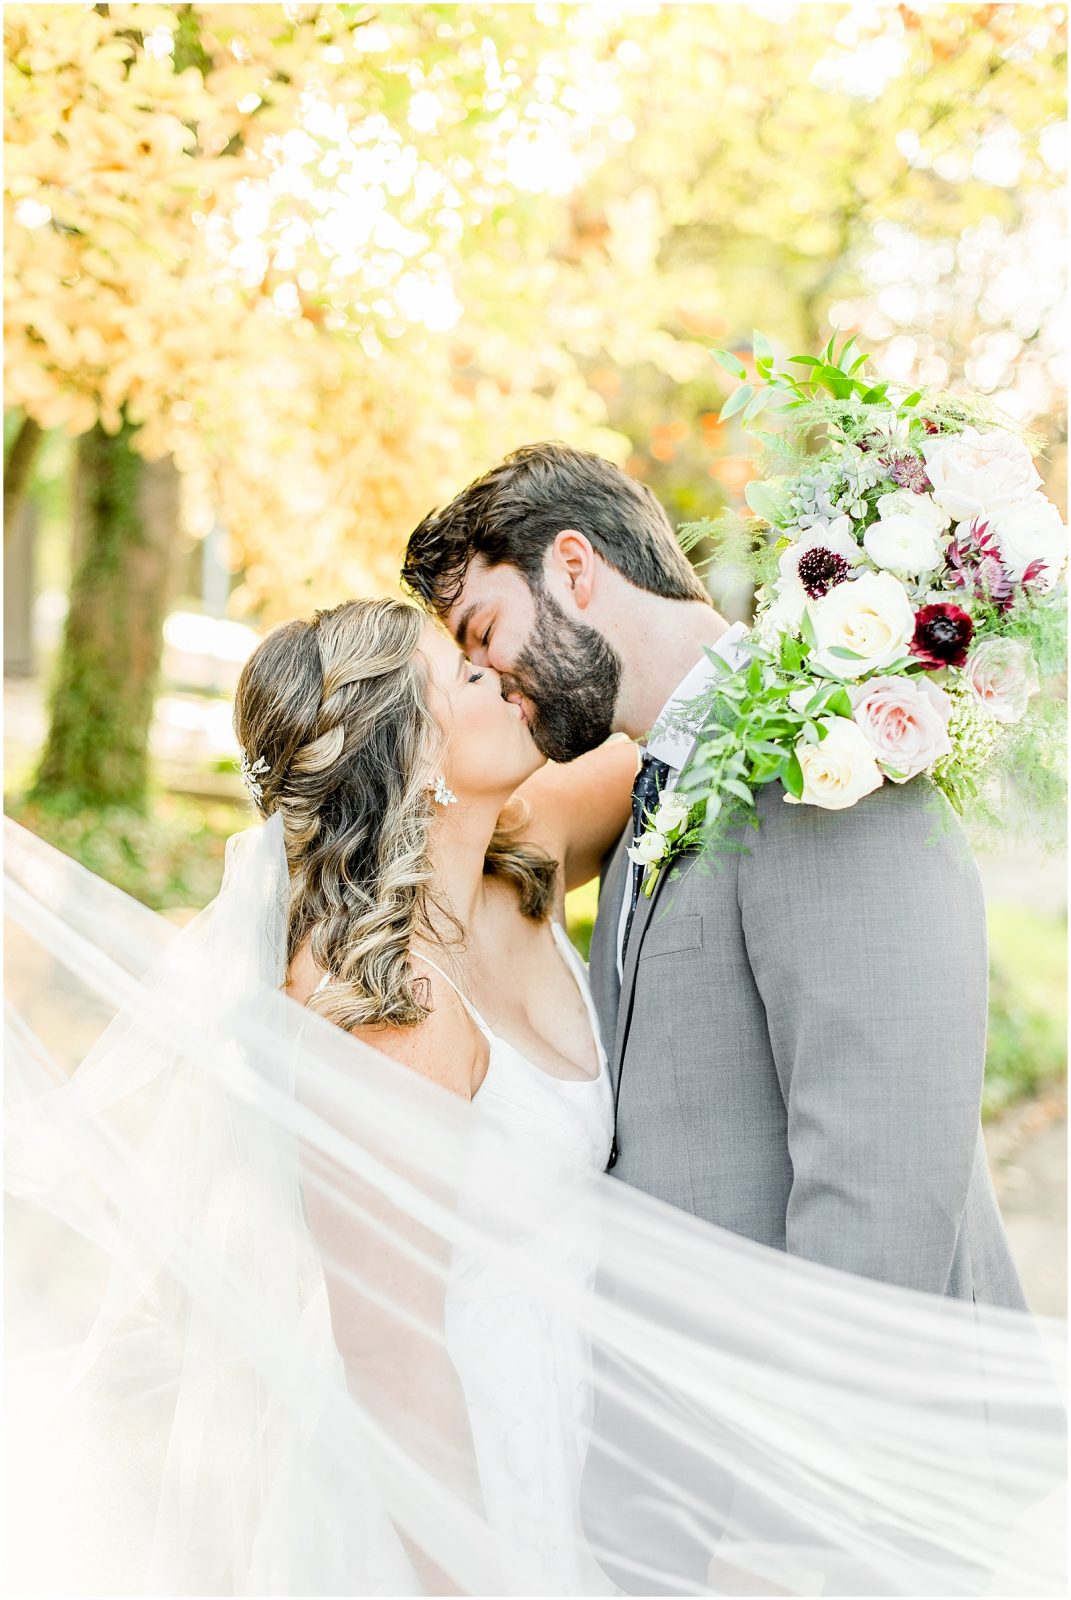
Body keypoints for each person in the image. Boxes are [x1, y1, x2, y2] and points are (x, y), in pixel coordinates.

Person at [401, 440, 1026, 1311]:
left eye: (483, 632)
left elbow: (883, 1195)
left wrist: (805, 1442)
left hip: (809, 1417)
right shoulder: (643, 798)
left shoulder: (827, 766)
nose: (492, 677)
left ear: (573, 567)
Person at [232, 595, 637, 1592]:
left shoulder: (519, 854)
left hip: (565, 1424)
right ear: (411, 756)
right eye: (464, 675)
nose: (502, 672)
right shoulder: (389, 1015)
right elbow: (392, 1365)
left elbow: (685, 716)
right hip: (448, 1488)